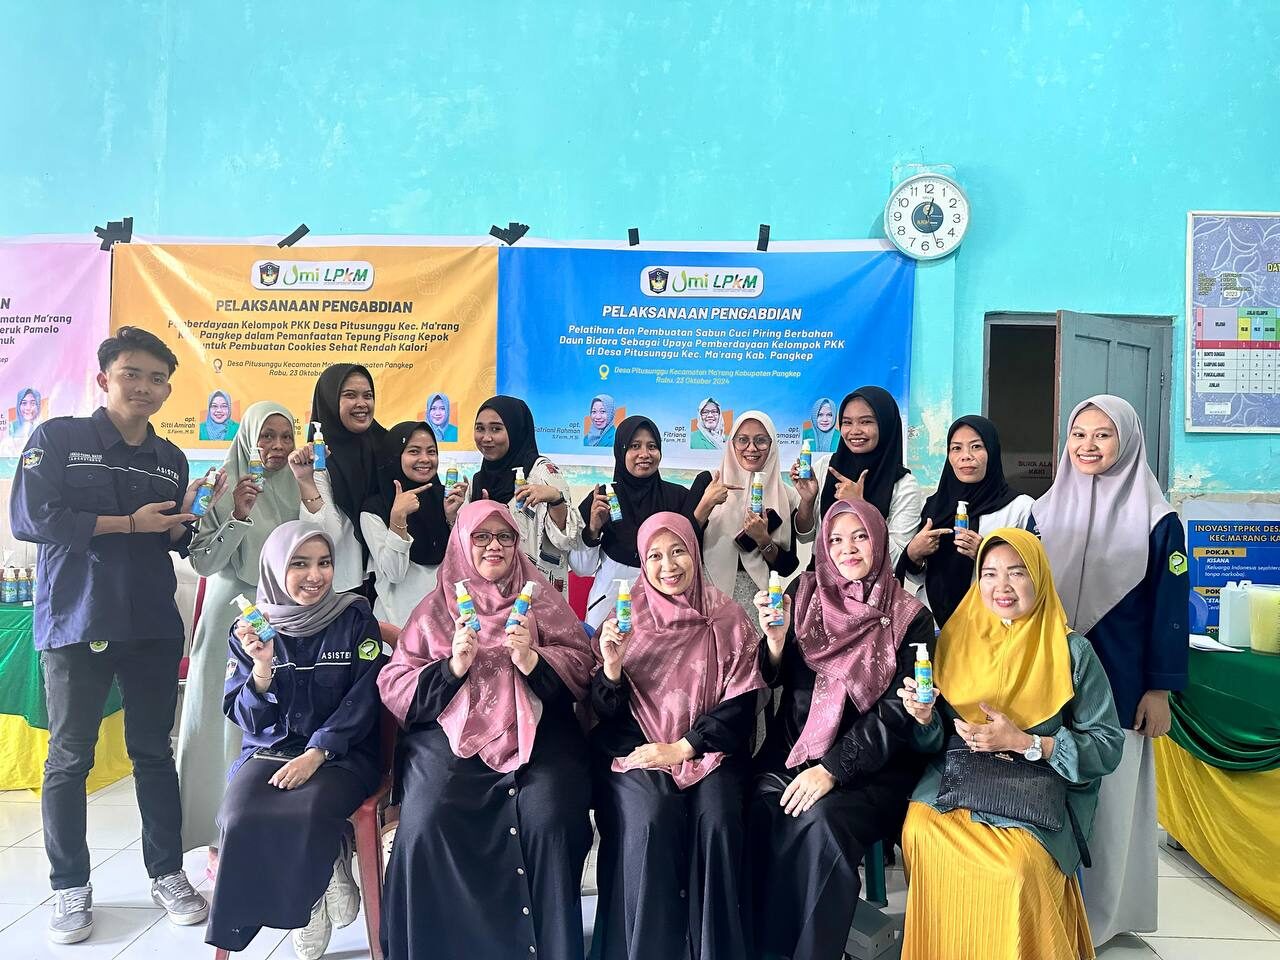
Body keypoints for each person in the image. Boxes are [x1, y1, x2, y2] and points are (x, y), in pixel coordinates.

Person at [8, 327, 208, 944]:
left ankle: (167, 873)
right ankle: (69, 886)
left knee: (154, 753)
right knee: (70, 757)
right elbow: (31, 519)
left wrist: (188, 523)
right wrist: (127, 522)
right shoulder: (58, 439)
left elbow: (171, 539)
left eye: (157, 379)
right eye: (132, 374)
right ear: (105, 378)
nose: (144, 386)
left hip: (150, 624)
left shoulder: (170, 458)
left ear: (167, 389)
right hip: (78, 620)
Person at [377, 500, 596, 959]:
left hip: (539, 731)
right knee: (429, 816)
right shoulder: (435, 610)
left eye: (505, 536)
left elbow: (582, 668)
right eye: (481, 536)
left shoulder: (541, 600)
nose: (494, 546)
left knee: (548, 816)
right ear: (462, 542)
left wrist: (533, 661)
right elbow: (396, 687)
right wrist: (452, 668)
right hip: (449, 735)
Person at [896, 529, 1124, 960]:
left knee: (1016, 867)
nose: (1002, 586)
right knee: (919, 832)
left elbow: (1107, 745)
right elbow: (931, 742)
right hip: (956, 782)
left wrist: (1027, 742)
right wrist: (924, 718)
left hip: (1035, 786)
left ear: (1039, 578)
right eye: (989, 573)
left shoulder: (1072, 651)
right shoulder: (953, 640)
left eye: (1017, 573)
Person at [1031, 395, 1189, 947]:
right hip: (1051, 684)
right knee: (1049, 799)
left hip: (1122, 685)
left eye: (1103, 435)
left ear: (1128, 441)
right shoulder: (1042, 513)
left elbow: (1170, 612)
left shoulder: (1159, 521)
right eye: (1079, 434)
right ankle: (1049, 911)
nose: (1088, 445)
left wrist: (1160, 689)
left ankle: (1102, 918)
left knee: (1114, 808)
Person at [747, 500, 934, 960]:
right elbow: (775, 679)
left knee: (821, 824)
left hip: (872, 768)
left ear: (879, 540)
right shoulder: (805, 592)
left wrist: (832, 769)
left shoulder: (910, 616)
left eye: (860, 536)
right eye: (835, 539)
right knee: (748, 806)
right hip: (793, 751)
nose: (847, 548)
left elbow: (898, 712)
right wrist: (774, 643)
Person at [206, 523, 387, 959]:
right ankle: (317, 882)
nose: (315, 575)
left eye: (324, 563)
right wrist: (262, 668)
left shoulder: (354, 617)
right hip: (269, 750)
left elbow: (366, 696)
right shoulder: (251, 630)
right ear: (275, 568)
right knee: (237, 816)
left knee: (309, 806)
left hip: (343, 753)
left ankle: (308, 903)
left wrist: (317, 752)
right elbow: (246, 717)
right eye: (300, 564)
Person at [589, 512, 764, 960]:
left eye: (678, 551)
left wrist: (685, 747)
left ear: (695, 553)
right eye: (654, 556)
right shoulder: (623, 620)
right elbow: (605, 713)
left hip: (711, 751)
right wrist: (612, 668)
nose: (668, 566)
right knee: (650, 817)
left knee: (718, 820)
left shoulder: (727, 618)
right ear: (642, 563)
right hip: (637, 747)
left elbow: (741, 706)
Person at [176, 401, 315, 864]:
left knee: (276, 722)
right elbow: (203, 562)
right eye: (266, 436)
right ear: (247, 439)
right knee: (222, 725)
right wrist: (237, 514)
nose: (276, 446)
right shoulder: (219, 485)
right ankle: (216, 835)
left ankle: (267, 826)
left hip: (284, 615)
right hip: (229, 617)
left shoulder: (300, 485)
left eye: (285, 436)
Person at [569, 415, 711, 629]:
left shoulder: (678, 498)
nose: (644, 454)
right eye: (635, 446)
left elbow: (691, 561)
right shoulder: (603, 498)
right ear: (621, 451)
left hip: (664, 613)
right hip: (608, 612)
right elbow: (581, 569)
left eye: (652, 446)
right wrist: (593, 529)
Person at [898, 415, 1034, 626]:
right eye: (956, 448)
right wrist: (913, 554)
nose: (966, 456)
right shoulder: (934, 506)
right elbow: (920, 577)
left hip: (992, 624)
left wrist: (985, 554)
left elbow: (1034, 573)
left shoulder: (1020, 507)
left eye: (976, 447)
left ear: (992, 451)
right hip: (933, 623)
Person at [793, 386, 923, 567]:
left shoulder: (904, 485)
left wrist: (861, 507)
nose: (854, 431)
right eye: (847, 422)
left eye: (866, 422)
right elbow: (805, 537)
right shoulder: (826, 466)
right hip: (821, 578)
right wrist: (807, 501)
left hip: (873, 582)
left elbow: (898, 560)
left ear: (885, 425)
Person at [468, 395, 583, 595]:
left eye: (496, 429)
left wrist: (555, 500)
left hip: (536, 596)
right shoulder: (478, 481)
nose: (486, 438)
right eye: (480, 428)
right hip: (489, 595)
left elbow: (567, 541)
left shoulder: (543, 473)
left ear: (516, 430)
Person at [359, 421, 467, 628]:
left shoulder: (449, 499)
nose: (425, 459)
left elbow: (464, 566)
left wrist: (452, 519)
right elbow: (394, 573)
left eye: (431, 451)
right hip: (398, 626)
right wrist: (397, 519)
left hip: (446, 626)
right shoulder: (375, 509)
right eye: (414, 451)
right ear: (394, 455)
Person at [700, 410, 800, 615]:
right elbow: (683, 539)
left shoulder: (786, 496)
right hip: (707, 593)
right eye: (743, 440)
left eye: (761, 440)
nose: (751, 448)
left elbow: (787, 567)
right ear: (732, 443)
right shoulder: (708, 483)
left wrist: (763, 539)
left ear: (772, 445)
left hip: (758, 602)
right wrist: (705, 505)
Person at [301, 364, 386, 594]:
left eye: (368, 395)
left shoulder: (387, 447)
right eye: (350, 395)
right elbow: (327, 533)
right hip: (341, 581)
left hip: (387, 578)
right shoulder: (318, 458)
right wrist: (307, 481)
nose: (362, 403)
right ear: (329, 401)